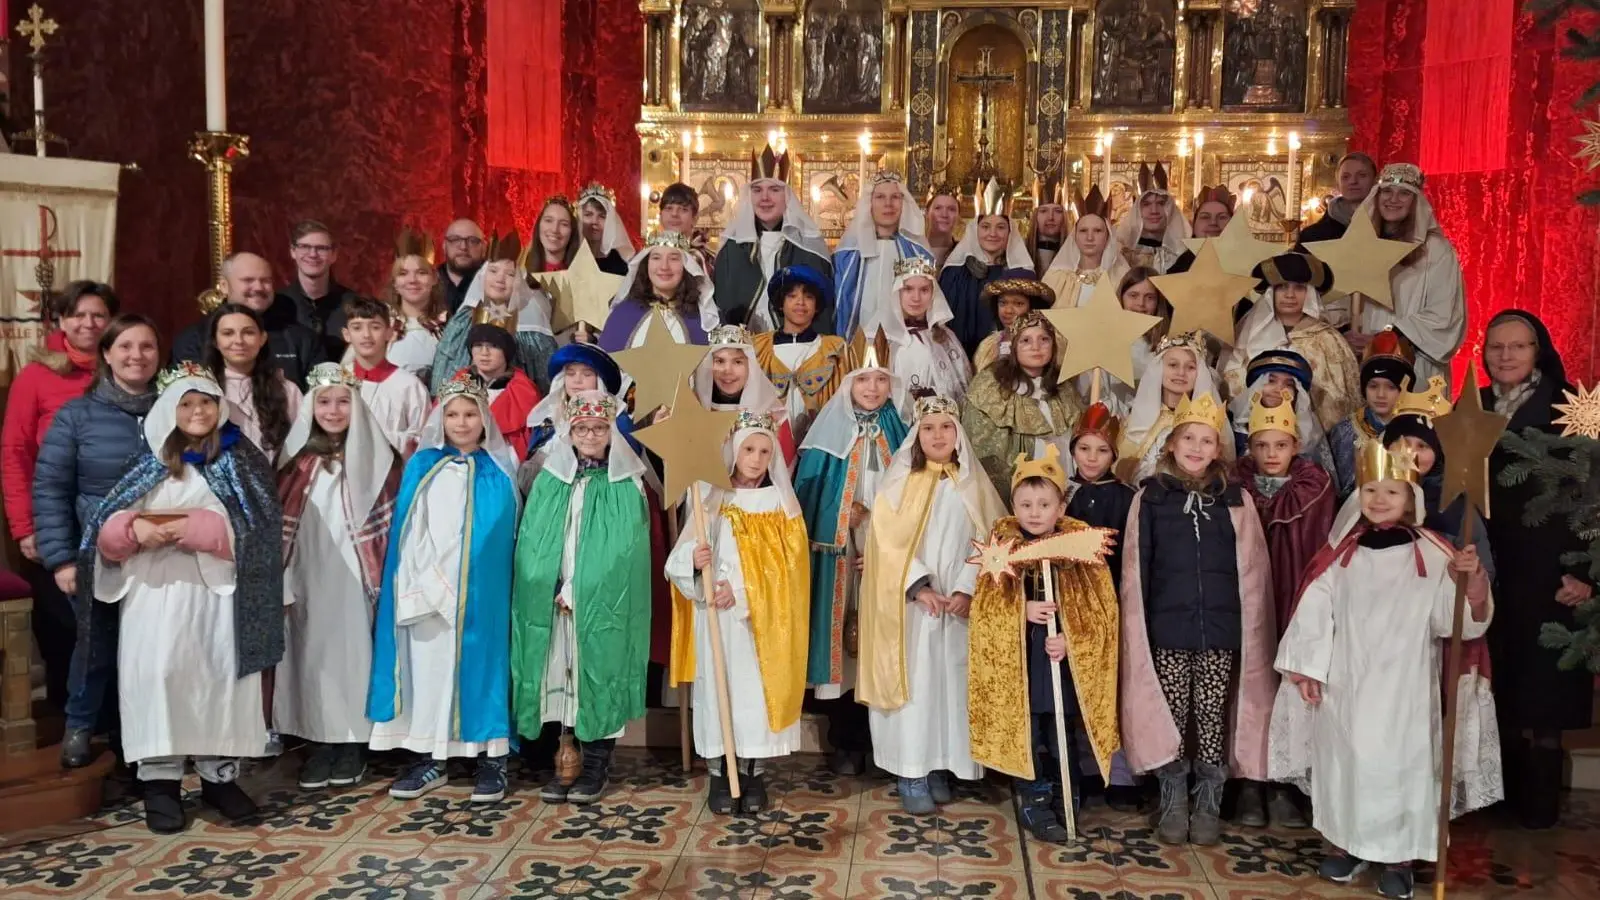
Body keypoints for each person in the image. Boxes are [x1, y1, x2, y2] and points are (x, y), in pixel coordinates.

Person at [1270, 439, 1498, 900]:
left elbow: (1452, 623)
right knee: (1348, 763)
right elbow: (1315, 608)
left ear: (1411, 498)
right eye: (1371, 490)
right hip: (1348, 684)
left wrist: (1469, 580)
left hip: (1407, 687)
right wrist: (1308, 669)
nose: (1378, 500)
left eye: (1391, 492)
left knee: (1403, 767)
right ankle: (1349, 846)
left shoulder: (1434, 554)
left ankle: (1400, 858)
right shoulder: (1342, 556)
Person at [79, 362, 283, 833]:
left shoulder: (241, 460)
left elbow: (261, 530)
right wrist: (130, 531)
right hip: (154, 596)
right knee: (158, 678)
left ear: (220, 407)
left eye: (205, 402)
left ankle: (219, 778)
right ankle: (161, 783)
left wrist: (205, 530)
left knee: (216, 680)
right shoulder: (148, 459)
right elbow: (104, 528)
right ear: (169, 409)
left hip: (217, 597)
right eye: (186, 403)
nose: (196, 411)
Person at [1117, 392, 1275, 846]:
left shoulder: (1236, 501)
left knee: (1210, 716)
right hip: (1166, 628)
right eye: (1189, 437)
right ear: (1171, 443)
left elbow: (1252, 572)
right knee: (1168, 714)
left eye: (1207, 440)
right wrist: (1141, 625)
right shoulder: (1150, 498)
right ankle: (1173, 798)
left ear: (1218, 449)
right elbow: (1136, 569)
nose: (1197, 447)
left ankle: (1208, 800)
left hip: (1220, 632)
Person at [369, 371, 519, 803]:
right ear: (441, 417)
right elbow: (408, 529)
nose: (461, 422)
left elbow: (497, 536)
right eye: (452, 413)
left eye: (470, 413)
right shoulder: (422, 465)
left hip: (479, 596)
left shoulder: (498, 470)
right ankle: (428, 757)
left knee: (483, 666)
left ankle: (490, 758)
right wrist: (429, 578)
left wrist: (464, 577)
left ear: (484, 418)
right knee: (429, 670)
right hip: (427, 591)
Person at [858, 395, 1007, 813]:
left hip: (959, 609)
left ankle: (943, 763)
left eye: (946, 427)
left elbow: (991, 540)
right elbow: (885, 543)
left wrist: (966, 588)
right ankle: (912, 770)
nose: (938, 435)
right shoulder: (898, 483)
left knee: (950, 687)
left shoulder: (974, 485)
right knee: (916, 686)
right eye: (928, 428)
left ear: (958, 434)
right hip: (913, 611)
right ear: (916, 436)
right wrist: (920, 586)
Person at [969, 445, 1120, 842]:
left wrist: (1072, 639)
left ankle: (1064, 792)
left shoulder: (1080, 548)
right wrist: (1023, 609)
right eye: (1025, 504)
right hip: (1024, 659)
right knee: (1031, 731)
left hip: (1061, 660)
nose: (1034, 513)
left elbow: (1100, 611)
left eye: (1043, 504)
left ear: (1060, 505)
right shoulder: (1003, 547)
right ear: (1014, 505)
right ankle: (1033, 798)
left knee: (1061, 732)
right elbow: (985, 607)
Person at [1479, 309, 1594, 828]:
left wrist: (1589, 576)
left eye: (1517, 346)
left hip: (1553, 573)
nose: (1505, 355)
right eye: (1496, 346)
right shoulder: (1472, 407)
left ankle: (1539, 807)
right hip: (1486, 567)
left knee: (1542, 694)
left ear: (1538, 351)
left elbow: (1596, 500)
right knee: (1493, 682)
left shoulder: (1575, 411)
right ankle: (1493, 798)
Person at [665, 411, 811, 814]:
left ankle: (754, 770)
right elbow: (675, 563)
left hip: (759, 621)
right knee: (720, 693)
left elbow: (790, 572)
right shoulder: (711, 499)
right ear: (734, 451)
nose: (756, 458)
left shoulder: (782, 507)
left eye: (765, 451)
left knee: (755, 697)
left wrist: (743, 592)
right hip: (716, 618)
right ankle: (719, 771)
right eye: (749, 449)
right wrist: (694, 562)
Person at [31, 314, 160, 767]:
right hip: (94, 556)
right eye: (125, 346)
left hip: (160, 556)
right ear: (106, 354)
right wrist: (62, 560)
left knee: (149, 651)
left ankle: (140, 740)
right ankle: (81, 726)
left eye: (146, 347)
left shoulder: (175, 411)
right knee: (96, 647)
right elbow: (49, 489)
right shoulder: (77, 415)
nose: (136, 356)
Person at [513, 391, 652, 805]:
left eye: (598, 428)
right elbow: (533, 542)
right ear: (569, 432)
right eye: (581, 428)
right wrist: (551, 585)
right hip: (554, 599)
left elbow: (625, 553)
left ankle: (596, 763)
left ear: (610, 432)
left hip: (601, 600)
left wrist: (582, 588)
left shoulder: (627, 483)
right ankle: (565, 757)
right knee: (561, 676)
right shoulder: (552, 480)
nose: (590, 435)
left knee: (599, 671)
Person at [275, 363, 402, 790]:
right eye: (324, 402)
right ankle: (319, 740)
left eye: (343, 402)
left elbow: (391, 524)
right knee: (311, 660)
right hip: (308, 575)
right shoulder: (297, 462)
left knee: (356, 658)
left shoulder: (376, 457)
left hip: (358, 580)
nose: (332, 411)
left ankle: (353, 742)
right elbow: (282, 524)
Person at [792, 341, 909, 775]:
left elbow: (914, 494)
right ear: (848, 384)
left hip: (888, 553)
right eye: (863, 379)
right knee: (841, 641)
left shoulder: (902, 431)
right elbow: (810, 493)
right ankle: (844, 740)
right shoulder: (826, 432)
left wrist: (880, 532)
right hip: (839, 555)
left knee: (883, 642)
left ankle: (883, 742)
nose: (873, 387)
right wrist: (846, 518)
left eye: (881, 380)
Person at [3, 282, 117, 715]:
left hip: (112, 516)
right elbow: (14, 452)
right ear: (61, 321)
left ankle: (114, 722)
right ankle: (71, 721)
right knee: (64, 626)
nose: (88, 324)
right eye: (78, 315)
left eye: (99, 315)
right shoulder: (37, 376)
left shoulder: (124, 368)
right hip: (54, 517)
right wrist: (24, 526)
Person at [1231, 393, 1332, 829]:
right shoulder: (1234, 486)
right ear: (1249, 449)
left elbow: (1319, 547)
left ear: (1296, 445)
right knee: (1248, 689)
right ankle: (1248, 781)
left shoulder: (1316, 488)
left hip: (1293, 598)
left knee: (1289, 689)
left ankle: (1286, 783)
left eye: (1281, 445)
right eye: (1262, 446)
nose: (1271, 455)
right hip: (1245, 600)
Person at [1064, 404, 1141, 809]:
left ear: (1114, 456)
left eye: (1102, 451)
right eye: (1085, 449)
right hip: (1069, 605)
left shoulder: (1127, 498)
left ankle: (1121, 772)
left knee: (1112, 686)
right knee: (1076, 687)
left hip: (1110, 603)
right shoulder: (1059, 494)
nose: (1092, 458)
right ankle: (1086, 768)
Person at [1344, 163, 1465, 389]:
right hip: (1365, 363)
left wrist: (1385, 339)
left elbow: (1443, 314)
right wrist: (1346, 334)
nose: (1393, 199)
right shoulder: (1362, 247)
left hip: (1415, 364)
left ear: (1416, 201)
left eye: (1404, 194)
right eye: (1387, 191)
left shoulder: (1436, 250)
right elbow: (1343, 297)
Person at [1224, 252, 1359, 434]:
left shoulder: (1328, 339)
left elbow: (1341, 398)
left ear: (1310, 293)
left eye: (1299, 288)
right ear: (1271, 292)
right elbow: (1231, 381)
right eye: (1281, 287)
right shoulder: (1248, 334)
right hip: (1255, 431)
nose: (1289, 295)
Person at [962, 309, 1085, 499]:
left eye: (1044, 339)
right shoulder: (990, 387)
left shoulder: (1064, 387)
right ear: (1014, 347)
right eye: (1026, 340)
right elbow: (983, 448)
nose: (1036, 347)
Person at [713, 145, 832, 329]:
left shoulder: (808, 249)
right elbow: (720, 308)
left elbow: (823, 310)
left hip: (795, 349)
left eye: (774, 190)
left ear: (787, 195)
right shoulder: (732, 249)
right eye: (757, 190)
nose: (765, 198)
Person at [171, 251, 326, 387]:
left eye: (265, 281)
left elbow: (321, 397)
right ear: (224, 286)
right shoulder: (194, 339)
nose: (258, 287)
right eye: (248, 280)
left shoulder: (302, 339)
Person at [433, 228, 557, 394]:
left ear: (519, 281)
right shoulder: (462, 322)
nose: (500, 279)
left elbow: (547, 386)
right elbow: (442, 373)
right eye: (493, 271)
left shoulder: (534, 334)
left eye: (510, 274)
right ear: (482, 275)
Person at [752, 264, 852, 441]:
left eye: (808, 297)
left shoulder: (835, 349)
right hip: (768, 447)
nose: (800, 303)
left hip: (819, 445)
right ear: (781, 304)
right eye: (792, 296)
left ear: (817, 305)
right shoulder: (758, 347)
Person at [938, 178, 1035, 355]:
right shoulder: (954, 273)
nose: (992, 234)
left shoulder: (1021, 275)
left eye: (1000, 227)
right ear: (975, 231)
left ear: (1010, 233)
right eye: (985, 227)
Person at [832, 170, 933, 337]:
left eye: (895, 197)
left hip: (905, 344)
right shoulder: (847, 255)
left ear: (904, 203)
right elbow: (839, 305)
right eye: (880, 197)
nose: (888, 204)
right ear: (869, 203)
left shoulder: (918, 252)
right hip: (857, 343)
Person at [1118, 332, 1228, 483]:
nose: (1181, 373)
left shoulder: (1209, 423)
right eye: (1173, 365)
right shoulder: (1134, 420)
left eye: (1190, 367)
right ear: (1159, 368)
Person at [204, 303, 303, 459]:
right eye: (228, 333)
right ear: (215, 341)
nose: (239, 341)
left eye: (248, 332)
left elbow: (301, 445)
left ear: (262, 338)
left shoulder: (287, 390)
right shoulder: (203, 389)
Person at [1328, 328, 1415, 500]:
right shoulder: (1344, 431)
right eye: (1373, 386)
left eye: (1391, 387)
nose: (1381, 395)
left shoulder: (1417, 432)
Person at [691, 324, 798, 462]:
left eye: (737, 362)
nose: (727, 370)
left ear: (750, 366)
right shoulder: (692, 408)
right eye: (719, 361)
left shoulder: (774, 413)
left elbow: (783, 469)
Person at [599, 230, 719, 350]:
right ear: (646, 265)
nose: (664, 267)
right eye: (656, 258)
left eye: (674, 259)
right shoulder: (623, 315)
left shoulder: (703, 318)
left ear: (686, 266)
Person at [341, 296, 429, 456]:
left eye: (375, 327)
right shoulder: (338, 382)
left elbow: (423, 439)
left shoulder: (409, 386)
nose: (366, 335)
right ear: (346, 334)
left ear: (389, 332)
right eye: (357, 328)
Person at [1226, 350, 1336, 476]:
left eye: (1289, 384)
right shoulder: (1234, 428)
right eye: (1271, 381)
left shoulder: (1308, 433)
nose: (1278, 389)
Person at [883, 257, 971, 414]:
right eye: (908, 289)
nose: (916, 298)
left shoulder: (946, 337)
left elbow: (962, 389)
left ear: (933, 293)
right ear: (897, 291)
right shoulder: (884, 338)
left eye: (924, 290)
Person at [454, 324, 541, 459]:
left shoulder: (524, 391)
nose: (484, 352)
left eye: (494, 345)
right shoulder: (457, 383)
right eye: (478, 345)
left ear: (506, 352)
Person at [277, 220, 357, 361]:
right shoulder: (276, 304)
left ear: (334, 255)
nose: (313, 254)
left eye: (321, 248)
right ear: (292, 251)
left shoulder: (354, 304)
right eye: (304, 247)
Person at [1099, 266, 1173, 416]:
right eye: (1133, 295)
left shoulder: (1167, 344)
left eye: (1149, 297)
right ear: (1121, 298)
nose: (1141, 303)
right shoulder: (1105, 340)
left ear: (1158, 302)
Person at [1041, 186, 1129, 309]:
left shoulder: (1122, 276)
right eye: (1083, 231)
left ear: (1108, 236)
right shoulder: (1055, 277)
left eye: (1097, 231)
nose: (1089, 237)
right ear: (1075, 236)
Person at [385, 228, 450, 385]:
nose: (412, 280)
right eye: (403, 273)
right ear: (394, 282)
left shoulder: (448, 329)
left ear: (434, 278)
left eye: (421, 272)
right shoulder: (377, 325)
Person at [972, 273, 1055, 373]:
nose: (1008, 311)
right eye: (1003, 303)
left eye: (1018, 304)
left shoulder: (1049, 345)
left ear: (1034, 307)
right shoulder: (987, 347)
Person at [1116, 163, 1191, 274]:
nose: (1154, 211)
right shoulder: (1123, 252)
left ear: (1170, 209)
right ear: (1138, 210)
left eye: (1161, 203)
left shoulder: (1184, 251)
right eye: (1146, 204)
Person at [1297, 152, 1378, 245]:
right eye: (1345, 177)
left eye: (1362, 175)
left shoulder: (1391, 229)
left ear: (1375, 180)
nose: (1353, 181)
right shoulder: (1311, 238)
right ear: (1338, 184)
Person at [1166, 185, 1238, 275]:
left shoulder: (1249, 263)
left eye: (1222, 217)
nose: (1213, 222)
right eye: (1205, 217)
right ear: (1193, 225)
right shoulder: (1178, 266)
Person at [658, 181, 715, 279]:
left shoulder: (706, 259)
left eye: (683, 209)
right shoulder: (649, 255)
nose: (674, 214)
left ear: (695, 218)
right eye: (669, 208)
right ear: (660, 216)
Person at [577, 182, 636, 275]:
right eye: (588, 215)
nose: (594, 221)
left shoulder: (619, 263)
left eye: (602, 216)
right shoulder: (570, 256)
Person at [439, 218, 489, 316]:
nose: (463, 247)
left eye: (472, 241)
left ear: (484, 248)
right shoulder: (427, 282)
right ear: (444, 245)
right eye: (455, 239)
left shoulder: (498, 284)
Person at [1027, 182, 1069, 274]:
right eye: (1043, 211)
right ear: (1035, 215)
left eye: (1057, 211)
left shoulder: (1074, 254)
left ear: (1065, 216)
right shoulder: (1021, 252)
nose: (1050, 217)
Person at [923, 184, 962, 271]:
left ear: (958, 215)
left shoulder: (964, 254)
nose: (944, 214)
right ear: (926, 213)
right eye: (938, 208)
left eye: (951, 209)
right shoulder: (912, 250)